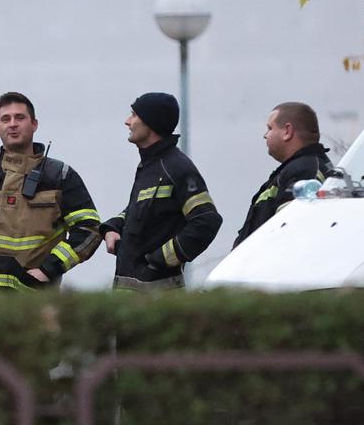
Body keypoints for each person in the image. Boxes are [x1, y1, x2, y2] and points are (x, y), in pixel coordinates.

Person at [0, 92, 103, 290]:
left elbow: (90, 229)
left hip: (30, 295)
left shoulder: (60, 176)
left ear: (34, 124)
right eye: (5, 119)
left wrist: (48, 269)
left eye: (20, 117)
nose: (12, 124)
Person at [101, 92, 223, 289]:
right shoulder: (150, 166)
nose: (127, 121)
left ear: (151, 123)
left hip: (158, 293)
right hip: (132, 292)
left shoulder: (177, 168)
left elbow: (206, 221)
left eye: (134, 114)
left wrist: (158, 261)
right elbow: (143, 210)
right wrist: (113, 226)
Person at [232, 101, 332, 248]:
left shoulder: (304, 172)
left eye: (269, 128)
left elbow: (290, 232)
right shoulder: (297, 169)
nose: (265, 135)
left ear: (287, 131)